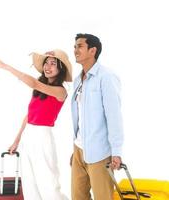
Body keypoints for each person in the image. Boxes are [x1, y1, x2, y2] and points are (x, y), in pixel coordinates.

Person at [0, 49, 72, 200]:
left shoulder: (60, 91)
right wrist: (17, 140)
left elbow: (33, 82)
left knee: (49, 185)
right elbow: (29, 116)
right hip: (28, 135)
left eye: (53, 63)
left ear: (61, 69)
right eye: (46, 63)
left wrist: (5, 66)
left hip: (43, 136)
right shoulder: (38, 90)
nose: (48, 66)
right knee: (30, 185)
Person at [70, 33, 124, 200]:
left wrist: (116, 151)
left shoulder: (106, 77)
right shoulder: (78, 80)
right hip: (79, 150)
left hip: (100, 153)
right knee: (78, 197)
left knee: (103, 197)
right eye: (74, 46)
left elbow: (114, 117)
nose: (75, 50)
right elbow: (79, 116)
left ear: (92, 50)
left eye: (80, 46)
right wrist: (76, 147)